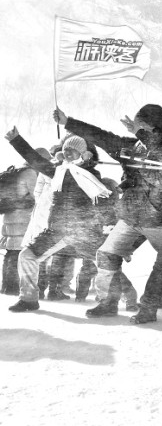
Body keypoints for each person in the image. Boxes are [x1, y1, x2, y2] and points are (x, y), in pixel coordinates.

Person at [53, 105, 162, 323]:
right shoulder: (133, 146)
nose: (134, 128)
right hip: (131, 216)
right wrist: (68, 122)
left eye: (140, 125)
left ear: (153, 127)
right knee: (106, 254)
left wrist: (138, 141)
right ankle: (108, 302)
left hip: (157, 219)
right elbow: (101, 137)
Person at [6, 129, 134, 313]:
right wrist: (16, 140)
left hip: (83, 232)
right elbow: (36, 161)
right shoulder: (59, 172)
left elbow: (105, 205)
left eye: (72, 151)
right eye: (65, 150)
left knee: (106, 263)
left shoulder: (90, 175)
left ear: (83, 154)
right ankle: (28, 299)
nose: (67, 153)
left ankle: (113, 302)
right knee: (26, 256)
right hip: (57, 231)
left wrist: (111, 230)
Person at [0, 155, 37, 296]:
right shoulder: (31, 173)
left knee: (10, 253)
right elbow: (37, 196)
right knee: (18, 254)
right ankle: (13, 288)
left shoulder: (16, 172)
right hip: (22, 220)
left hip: (9, 218)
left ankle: (6, 286)